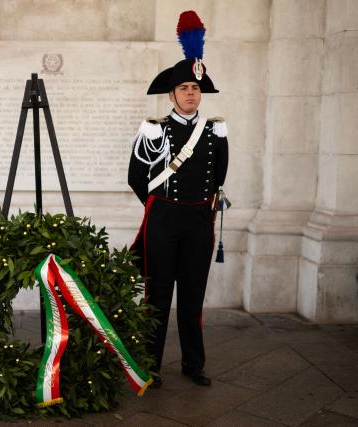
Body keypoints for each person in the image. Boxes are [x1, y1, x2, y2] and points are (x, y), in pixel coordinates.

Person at [128, 11, 228, 388]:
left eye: (195, 89)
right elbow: (136, 177)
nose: (190, 93)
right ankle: (148, 364)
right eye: (184, 88)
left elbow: (219, 175)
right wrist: (159, 207)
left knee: (192, 295)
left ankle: (193, 363)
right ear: (171, 95)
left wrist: (200, 206)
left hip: (200, 220)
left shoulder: (216, 130)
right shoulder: (154, 130)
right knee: (156, 294)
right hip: (164, 219)